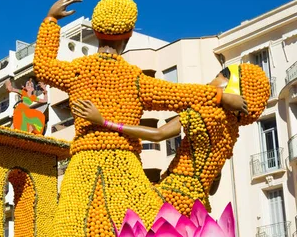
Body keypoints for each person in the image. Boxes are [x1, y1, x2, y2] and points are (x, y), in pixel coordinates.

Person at [32, 0, 249, 237]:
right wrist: (221, 95)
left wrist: (50, 21)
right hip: (124, 174)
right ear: (129, 35)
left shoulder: (77, 72)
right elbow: (182, 94)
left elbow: (42, 67)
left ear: (96, 33)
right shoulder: (134, 79)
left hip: (82, 174)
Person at [72, 64, 269, 215]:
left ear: (230, 86)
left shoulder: (206, 113)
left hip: (172, 194)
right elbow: (214, 185)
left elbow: (159, 134)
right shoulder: (231, 132)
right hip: (197, 205)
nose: (211, 81)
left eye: (218, 77)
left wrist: (105, 122)